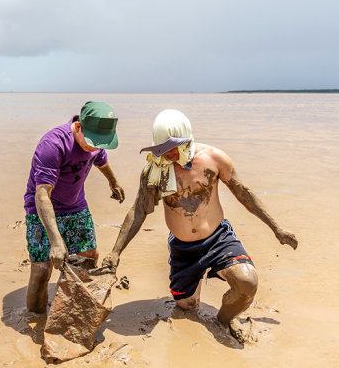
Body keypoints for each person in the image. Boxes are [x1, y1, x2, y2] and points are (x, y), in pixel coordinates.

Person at [102, 109, 298, 342]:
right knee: (187, 306)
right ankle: (191, 286)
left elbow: (244, 194)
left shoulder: (214, 159)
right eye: (162, 149)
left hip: (217, 238)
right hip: (183, 248)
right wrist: (115, 252)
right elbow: (138, 212)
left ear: (188, 139)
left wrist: (276, 228)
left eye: (173, 147)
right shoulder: (156, 170)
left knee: (246, 283)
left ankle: (224, 321)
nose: (169, 154)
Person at [23, 101, 125, 314]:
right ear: (78, 126)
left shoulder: (96, 144)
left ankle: (74, 310)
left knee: (89, 256)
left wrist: (113, 182)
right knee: (42, 269)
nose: (94, 147)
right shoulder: (53, 145)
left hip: (76, 205)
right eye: (91, 142)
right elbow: (42, 195)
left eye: (100, 144)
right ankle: (35, 317)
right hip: (42, 209)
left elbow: (101, 160)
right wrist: (56, 242)